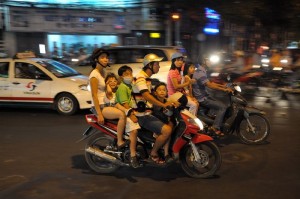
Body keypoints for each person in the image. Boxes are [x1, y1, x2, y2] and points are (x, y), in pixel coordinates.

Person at [132, 53, 178, 165]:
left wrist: (170, 101)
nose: (159, 66)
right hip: (141, 115)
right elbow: (147, 96)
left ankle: (166, 153)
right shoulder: (141, 78)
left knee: (171, 123)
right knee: (166, 130)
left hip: (148, 112)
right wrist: (164, 105)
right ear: (150, 65)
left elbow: (154, 96)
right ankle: (153, 153)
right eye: (157, 64)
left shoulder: (147, 79)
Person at [88, 48, 127, 149]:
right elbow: (94, 95)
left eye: (107, 57)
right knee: (121, 115)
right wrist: (99, 114)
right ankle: (119, 141)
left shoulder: (103, 73)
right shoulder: (94, 75)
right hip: (100, 107)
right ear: (96, 59)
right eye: (102, 57)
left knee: (129, 111)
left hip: (107, 103)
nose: (106, 59)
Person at [192, 58, 233, 136]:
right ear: (204, 61)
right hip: (202, 98)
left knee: (219, 101)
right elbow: (209, 85)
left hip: (205, 96)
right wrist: (224, 90)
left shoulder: (203, 71)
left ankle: (213, 121)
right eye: (209, 61)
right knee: (223, 107)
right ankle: (215, 127)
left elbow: (210, 82)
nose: (210, 62)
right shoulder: (200, 72)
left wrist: (223, 86)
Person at [115, 65, 142, 168]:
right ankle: (133, 155)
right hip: (125, 111)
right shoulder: (122, 87)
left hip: (130, 110)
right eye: (126, 74)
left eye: (130, 73)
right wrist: (132, 115)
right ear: (121, 77)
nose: (129, 76)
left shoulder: (130, 85)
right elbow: (125, 104)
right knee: (134, 130)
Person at [152, 82, 176, 163]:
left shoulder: (167, 101)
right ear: (155, 92)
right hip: (156, 124)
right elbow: (160, 109)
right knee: (168, 131)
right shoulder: (154, 101)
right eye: (159, 90)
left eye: (164, 90)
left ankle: (166, 153)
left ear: (166, 92)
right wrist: (168, 104)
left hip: (164, 123)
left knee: (171, 126)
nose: (162, 91)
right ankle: (165, 154)